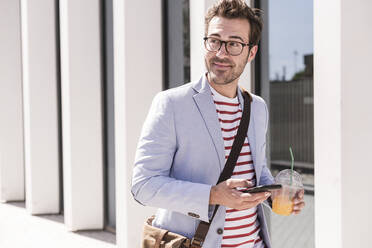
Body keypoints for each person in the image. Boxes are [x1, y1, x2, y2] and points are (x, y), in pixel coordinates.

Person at [131, 0, 305, 247]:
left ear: (251, 52)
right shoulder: (171, 104)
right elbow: (143, 185)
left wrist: (273, 193)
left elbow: (257, 171)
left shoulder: (257, 107)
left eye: (234, 44)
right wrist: (213, 195)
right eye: (214, 41)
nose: (221, 53)